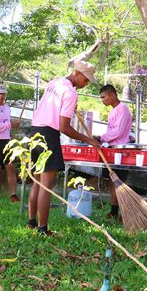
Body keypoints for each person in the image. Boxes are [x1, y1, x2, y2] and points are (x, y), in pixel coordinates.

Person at [27, 61, 101, 235]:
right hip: (48, 134)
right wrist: (88, 140)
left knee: (37, 182)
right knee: (46, 185)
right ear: (77, 73)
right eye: (86, 79)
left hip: (35, 131)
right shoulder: (70, 92)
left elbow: (53, 107)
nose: (86, 84)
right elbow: (64, 127)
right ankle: (42, 229)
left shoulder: (55, 82)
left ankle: (31, 221)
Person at [97, 84, 133, 218]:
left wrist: (101, 138)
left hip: (121, 151)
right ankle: (114, 211)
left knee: (120, 182)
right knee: (113, 180)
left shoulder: (122, 108)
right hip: (111, 150)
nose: (102, 100)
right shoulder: (113, 110)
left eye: (104, 97)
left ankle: (124, 211)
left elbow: (118, 131)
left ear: (112, 95)